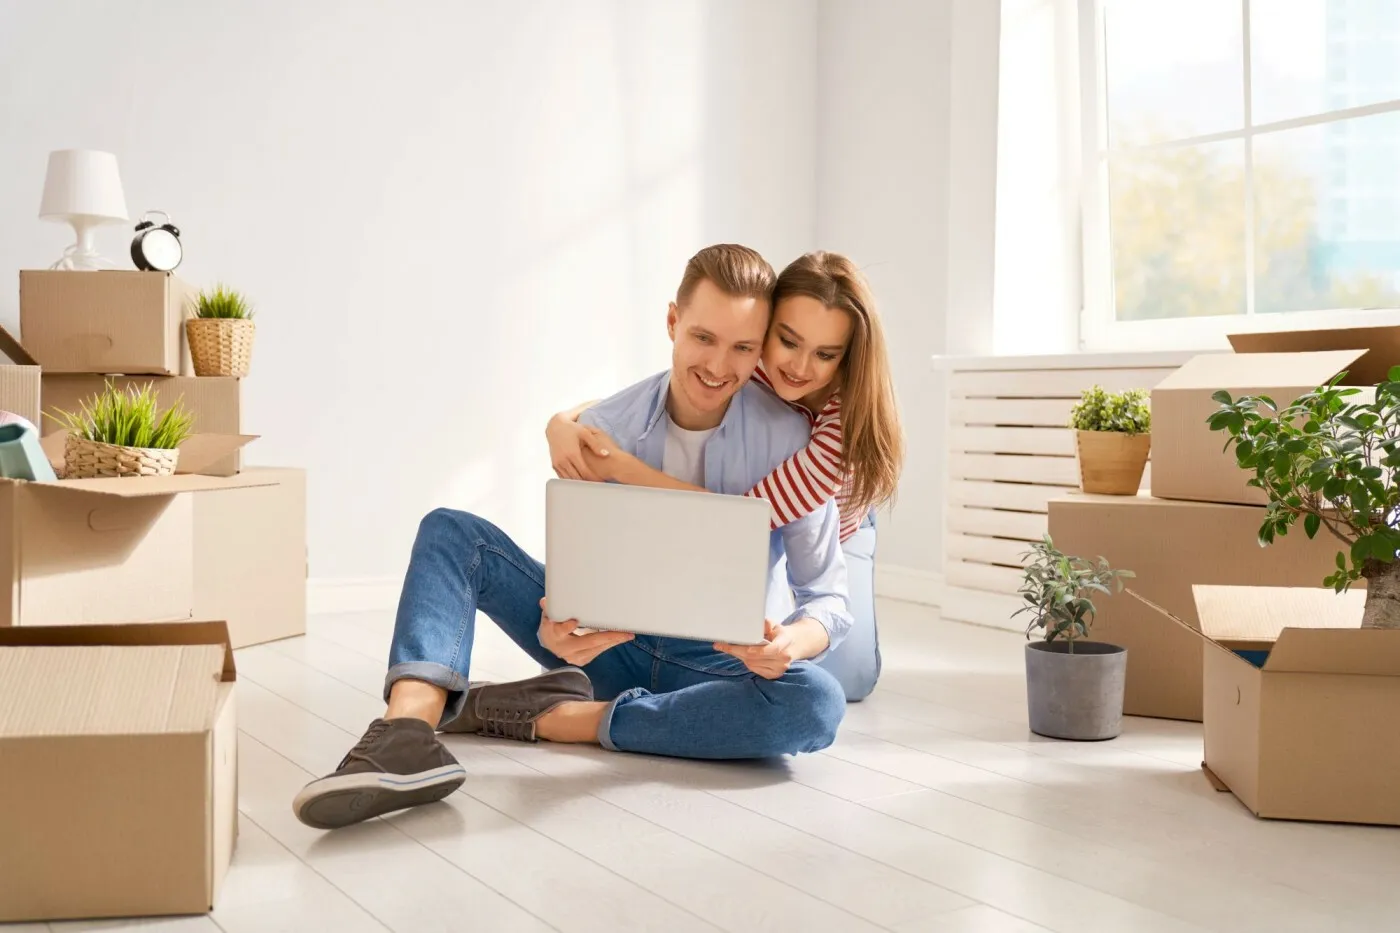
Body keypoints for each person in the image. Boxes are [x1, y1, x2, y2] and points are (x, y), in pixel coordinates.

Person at [291, 244, 853, 831]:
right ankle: (405, 733)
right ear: (672, 322)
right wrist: (557, 627)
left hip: (720, 662)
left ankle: (556, 718)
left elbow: (828, 599)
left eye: (742, 347)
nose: (718, 365)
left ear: (760, 349)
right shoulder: (606, 429)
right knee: (451, 532)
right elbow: (582, 576)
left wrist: (789, 644)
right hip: (610, 648)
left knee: (816, 703)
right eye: (703, 337)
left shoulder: (790, 440)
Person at [546, 251, 903, 701]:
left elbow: (735, 524)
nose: (799, 367)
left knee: (847, 680)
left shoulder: (836, 430)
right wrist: (563, 421)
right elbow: (655, 391)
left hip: (841, 518)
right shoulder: (745, 365)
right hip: (772, 508)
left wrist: (621, 467)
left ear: (845, 358)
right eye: (788, 341)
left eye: (825, 354)